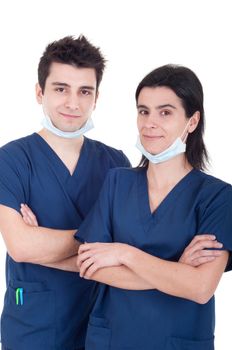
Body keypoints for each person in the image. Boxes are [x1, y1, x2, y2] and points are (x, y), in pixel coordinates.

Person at [74, 64, 232, 350]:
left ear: (192, 121)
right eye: (143, 111)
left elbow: (199, 288)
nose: (150, 123)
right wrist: (175, 272)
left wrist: (124, 253)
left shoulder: (217, 197)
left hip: (176, 341)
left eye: (166, 112)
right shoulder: (117, 182)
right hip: (111, 339)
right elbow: (88, 266)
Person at [0, 35, 131, 350]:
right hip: (34, 328)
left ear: (96, 98)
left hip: (104, 323)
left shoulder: (117, 163)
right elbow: (20, 246)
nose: (73, 103)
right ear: (39, 92)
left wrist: (44, 242)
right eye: (61, 89)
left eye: (85, 91)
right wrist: (101, 244)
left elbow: (130, 252)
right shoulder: (12, 159)